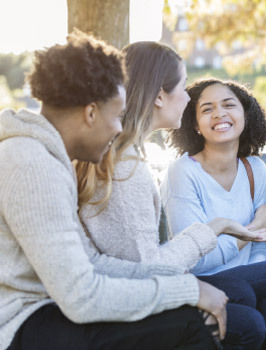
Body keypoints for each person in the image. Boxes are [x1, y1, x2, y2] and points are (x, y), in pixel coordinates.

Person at [0, 31, 221, 350]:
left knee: (185, 313)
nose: (120, 128)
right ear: (90, 113)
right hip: (17, 326)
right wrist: (189, 292)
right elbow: (81, 297)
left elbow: (90, 261)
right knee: (188, 322)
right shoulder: (31, 163)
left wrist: (185, 284)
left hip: (42, 313)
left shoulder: (45, 157)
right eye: (117, 116)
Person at [75, 41, 266, 349]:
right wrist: (215, 232)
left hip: (121, 290)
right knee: (250, 320)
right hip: (117, 301)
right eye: (182, 88)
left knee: (245, 301)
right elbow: (146, 269)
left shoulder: (120, 154)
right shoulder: (126, 167)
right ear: (158, 96)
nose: (187, 98)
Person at [163, 78, 266, 350]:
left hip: (248, 279)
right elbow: (196, 260)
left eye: (228, 105)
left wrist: (255, 276)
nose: (219, 113)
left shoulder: (253, 168)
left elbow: (262, 247)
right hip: (202, 282)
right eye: (207, 109)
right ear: (195, 124)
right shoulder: (183, 172)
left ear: (245, 115)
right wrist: (254, 227)